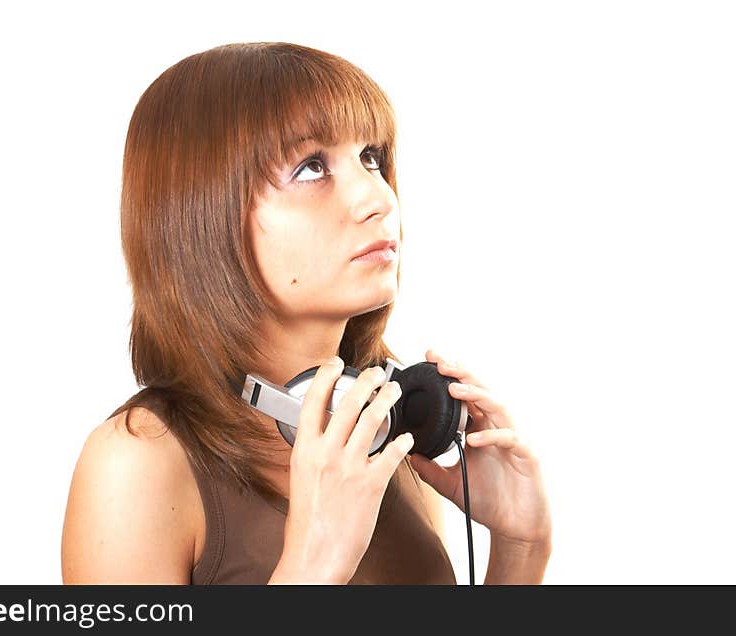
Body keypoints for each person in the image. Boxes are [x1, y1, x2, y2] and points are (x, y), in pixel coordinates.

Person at [60, 41, 552, 585]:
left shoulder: (386, 424)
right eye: (312, 167)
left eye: (371, 158)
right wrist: (313, 565)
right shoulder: (135, 465)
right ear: (202, 214)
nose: (379, 198)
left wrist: (520, 548)